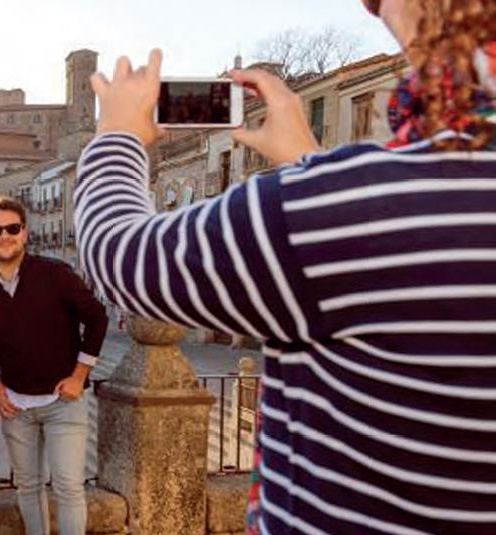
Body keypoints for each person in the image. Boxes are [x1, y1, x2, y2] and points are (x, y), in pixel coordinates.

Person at [74, 1, 495, 533]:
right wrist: (309, 165)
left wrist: (118, 136)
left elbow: (120, 256)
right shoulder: (360, 204)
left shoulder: (353, 206)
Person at [0, 196, 108, 535]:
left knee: (68, 488)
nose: (5, 236)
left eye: (12, 228)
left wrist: (79, 375)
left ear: (25, 233)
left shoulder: (55, 274)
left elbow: (97, 317)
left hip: (64, 403)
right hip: (16, 406)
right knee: (28, 487)